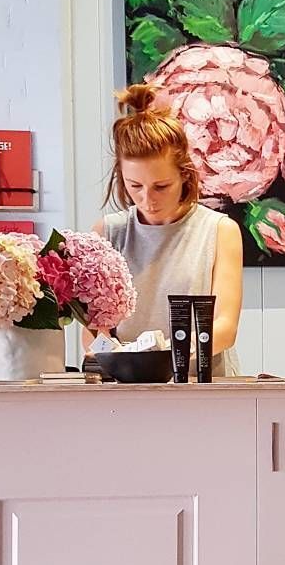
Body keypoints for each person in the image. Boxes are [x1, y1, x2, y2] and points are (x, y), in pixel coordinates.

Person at [84, 84, 243, 376]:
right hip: (128, 390)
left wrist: (161, 358)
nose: (148, 199)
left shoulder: (220, 231)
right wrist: (127, 360)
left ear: (184, 174)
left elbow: (224, 327)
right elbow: (95, 333)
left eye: (161, 186)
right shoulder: (107, 234)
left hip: (203, 388)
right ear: (121, 177)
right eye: (135, 187)